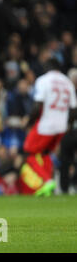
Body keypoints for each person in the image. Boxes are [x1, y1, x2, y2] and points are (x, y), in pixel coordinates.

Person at [20, 58, 77, 196]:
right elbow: (74, 109)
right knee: (45, 153)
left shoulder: (43, 80)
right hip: (61, 127)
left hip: (46, 125)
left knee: (29, 152)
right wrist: (68, 125)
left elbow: (38, 104)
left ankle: (46, 181)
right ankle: (48, 185)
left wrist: (29, 122)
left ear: (46, 68)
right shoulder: (67, 82)